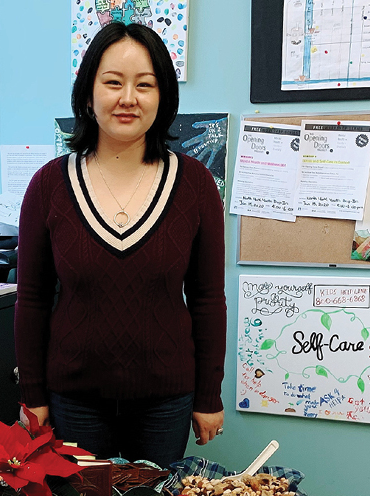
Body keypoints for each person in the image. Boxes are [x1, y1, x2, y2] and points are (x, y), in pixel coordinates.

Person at [14, 21, 226, 468]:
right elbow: (31, 298)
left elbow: (208, 299)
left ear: (163, 96)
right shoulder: (49, 185)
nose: (127, 98)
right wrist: (32, 394)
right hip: (74, 398)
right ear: (88, 93)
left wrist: (209, 395)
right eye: (113, 82)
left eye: (144, 85)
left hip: (166, 400)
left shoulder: (197, 185)